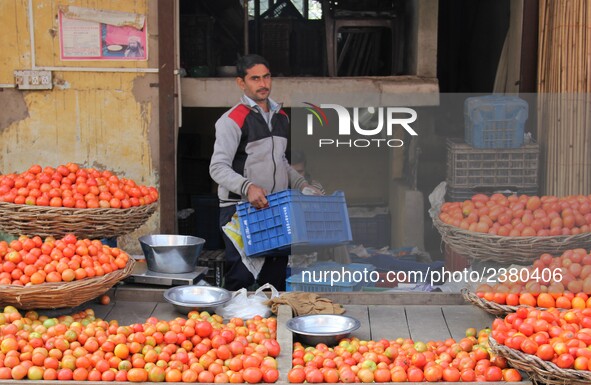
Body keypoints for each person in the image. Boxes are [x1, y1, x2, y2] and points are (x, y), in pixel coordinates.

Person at [209, 54, 318, 291]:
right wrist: (247, 187)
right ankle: (236, 324)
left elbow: (282, 161)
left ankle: (271, 324)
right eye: (255, 78)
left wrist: (301, 184)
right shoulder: (232, 120)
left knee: (275, 277)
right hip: (240, 211)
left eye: (266, 77)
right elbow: (217, 167)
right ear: (242, 83)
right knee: (242, 277)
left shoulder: (282, 117)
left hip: (275, 207)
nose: (263, 84)